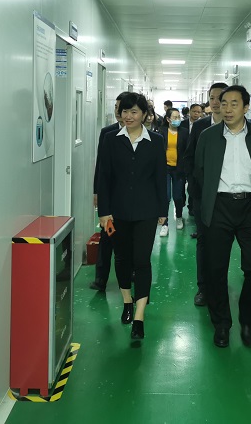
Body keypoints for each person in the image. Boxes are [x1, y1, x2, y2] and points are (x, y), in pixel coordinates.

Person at [194, 85, 251, 349]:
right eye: (223, 103)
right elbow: (199, 172)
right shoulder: (208, 136)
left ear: (246, 107)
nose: (227, 109)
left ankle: (247, 319)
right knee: (215, 269)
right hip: (219, 206)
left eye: (234, 104)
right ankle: (221, 325)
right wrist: (204, 206)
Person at [97, 93, 168, 340]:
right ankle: (127, 300)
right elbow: (103, 177)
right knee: (122, 258)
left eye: (134, 112)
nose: (128, 116)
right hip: (117, 211)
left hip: (147, 210)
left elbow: (161, 177)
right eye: (125, 111)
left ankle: (139, 316)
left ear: (145, 115)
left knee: (142, 260)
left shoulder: (156, 141)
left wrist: (163, 210)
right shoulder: (110, 139)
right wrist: (103, 211)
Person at [183, 82, 228, 306]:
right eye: (212, 98)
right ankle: (204, 288)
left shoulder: (237, 127)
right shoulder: (200, 126)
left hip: (227, 197)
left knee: (223, 243)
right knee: (204, 240)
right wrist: (194, 187)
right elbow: (189, 157)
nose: (216, 102)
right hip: (202, 195)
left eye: (221, 98)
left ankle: (219, 284)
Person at [90, 92, 129, 291]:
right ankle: (101, 279)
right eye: (116, 107)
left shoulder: (141, 134)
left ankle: (129, 275)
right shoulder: (107, 132)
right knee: (107, 237)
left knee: (130, 239)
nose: (118, 111)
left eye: (122, 107)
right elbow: (101, 165)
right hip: (111, 195)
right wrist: (97, 191)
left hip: (130, 196)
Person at [158, 107, 189, 236]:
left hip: (179, 169)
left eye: (178, 117)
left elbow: (187, 151)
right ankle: (164, 224)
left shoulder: (184, 132)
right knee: (166, 197)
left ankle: (179, 217)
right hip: (165, 168)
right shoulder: (161, 131)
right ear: (168, 119)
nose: (177, 119)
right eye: (174, 117)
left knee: (178, 196)